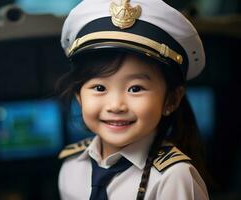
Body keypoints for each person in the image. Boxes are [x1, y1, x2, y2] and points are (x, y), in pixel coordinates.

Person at [57, 0, 209, 199]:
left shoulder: (173, 177)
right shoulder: (72, 165)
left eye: (135, 88)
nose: (116, 106)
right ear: (79, 97)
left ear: (171, 100)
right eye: (100, 88)